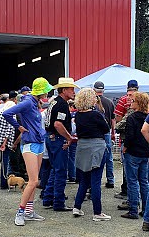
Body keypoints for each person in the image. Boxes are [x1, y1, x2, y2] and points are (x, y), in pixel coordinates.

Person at [3, 77, 54, 226]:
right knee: (32, 181)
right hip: (30, 144)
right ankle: (20, 212)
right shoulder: (27, 102)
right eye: (46, 91)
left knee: (35, 180)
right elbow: (7, 113)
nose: (47, 94)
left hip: (37, 143)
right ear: (41, 91)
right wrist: (18, 126)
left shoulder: (33, 102)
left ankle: (29, 212)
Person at [71, 88, 112, 221]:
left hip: (82, 147)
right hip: (96, 148)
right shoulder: (96, 115)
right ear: (90, 99)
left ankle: (77, 206)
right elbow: (106, 129)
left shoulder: (78, 115)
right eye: (94, 97)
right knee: (96, 181)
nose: (96, 99)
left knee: (84, 180)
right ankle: (97, 212)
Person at [42, 77, 79, 212]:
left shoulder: (54, 102)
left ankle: (48, 198)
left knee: (55, 169)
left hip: (50, 137)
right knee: (61, 171)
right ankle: (58, 202)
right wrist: (69, 138)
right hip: (58, 139)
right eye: (71, 89)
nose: (73, 91)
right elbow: (58, 124)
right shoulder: (62, 104)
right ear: (64, 90)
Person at [121, 91, 149, 219]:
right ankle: (146, 209)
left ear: (138, 103)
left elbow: (130, 136)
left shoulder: (132, 118)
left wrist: (125, 147)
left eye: (133, 101)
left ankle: (133, 209)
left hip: (133, 152)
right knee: (144, 181)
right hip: (145, 152)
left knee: (132, 181)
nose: (131, 103)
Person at [113, 80, 139, 199]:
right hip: (142, 138)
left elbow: (118, 118)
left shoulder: (123, 100)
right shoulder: (145, 98)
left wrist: (121, 126)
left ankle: (128, 193)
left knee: (128, 167)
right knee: (142, 171)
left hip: (127, 137)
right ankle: (139, 196)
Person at [93, 81, 116, 189]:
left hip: (95, 133)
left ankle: (94, 181)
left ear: (94, 89)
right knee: (109, 156)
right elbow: (113, 119)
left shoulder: (92, 102)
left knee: (95, 156)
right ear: (103, 90)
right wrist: (113, 132)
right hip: (106, 131)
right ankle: (110, 180)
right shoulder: (109, 102)